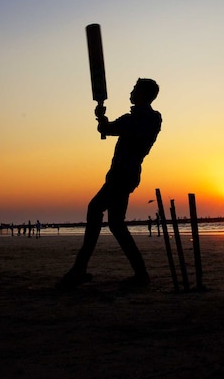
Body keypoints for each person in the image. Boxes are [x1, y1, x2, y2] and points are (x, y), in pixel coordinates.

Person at [57, 78, 162, 290]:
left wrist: (114, 126)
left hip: (126, 174)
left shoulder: (152, 117)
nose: (131, 92)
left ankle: (80, 268)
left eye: (135, 89)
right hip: (117, 173)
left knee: (95, 208)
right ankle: (140, 274)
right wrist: (101, 118)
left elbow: (137, 136)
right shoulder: (129, 118)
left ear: (144, 94)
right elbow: (106, 129)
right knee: (116, 223)